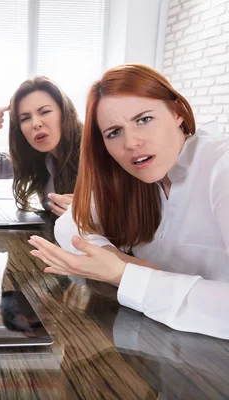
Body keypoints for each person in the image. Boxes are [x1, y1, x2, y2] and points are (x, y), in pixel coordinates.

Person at [28, 64, 229, 339]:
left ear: (177, 113)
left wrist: (124, 274)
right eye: (114, 132)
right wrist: (124, 263)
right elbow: (71, 222)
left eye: (144, 119)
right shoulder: (135, 178)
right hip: (165, 345)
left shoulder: (221, 166)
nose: (132, 142)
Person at [0, 77, 82, 215]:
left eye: (45, 112)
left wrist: (90, 213)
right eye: (25, 118)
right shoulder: (39, 156)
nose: (35, 123)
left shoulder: (94, 152)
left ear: (64, 113)